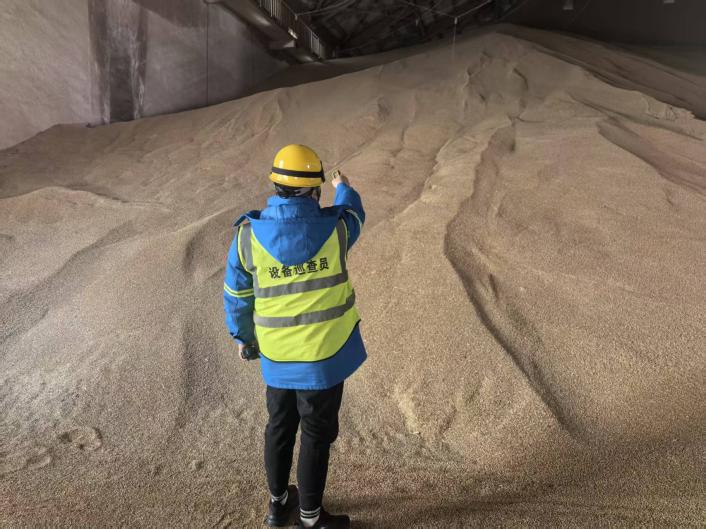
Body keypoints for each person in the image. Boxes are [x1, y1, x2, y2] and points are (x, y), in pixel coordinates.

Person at [223, 144, 367, 528]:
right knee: (315, 434)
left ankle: (277, 505)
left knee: (280, 425)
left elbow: (236, 295)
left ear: (275, 185)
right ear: (315, 189)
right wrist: (344, 188)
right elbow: (355, 213)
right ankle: (310, 517)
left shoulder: (248, 236)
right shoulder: (336, 229)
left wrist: (244, 339)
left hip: (276, 357)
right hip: (323, 359)